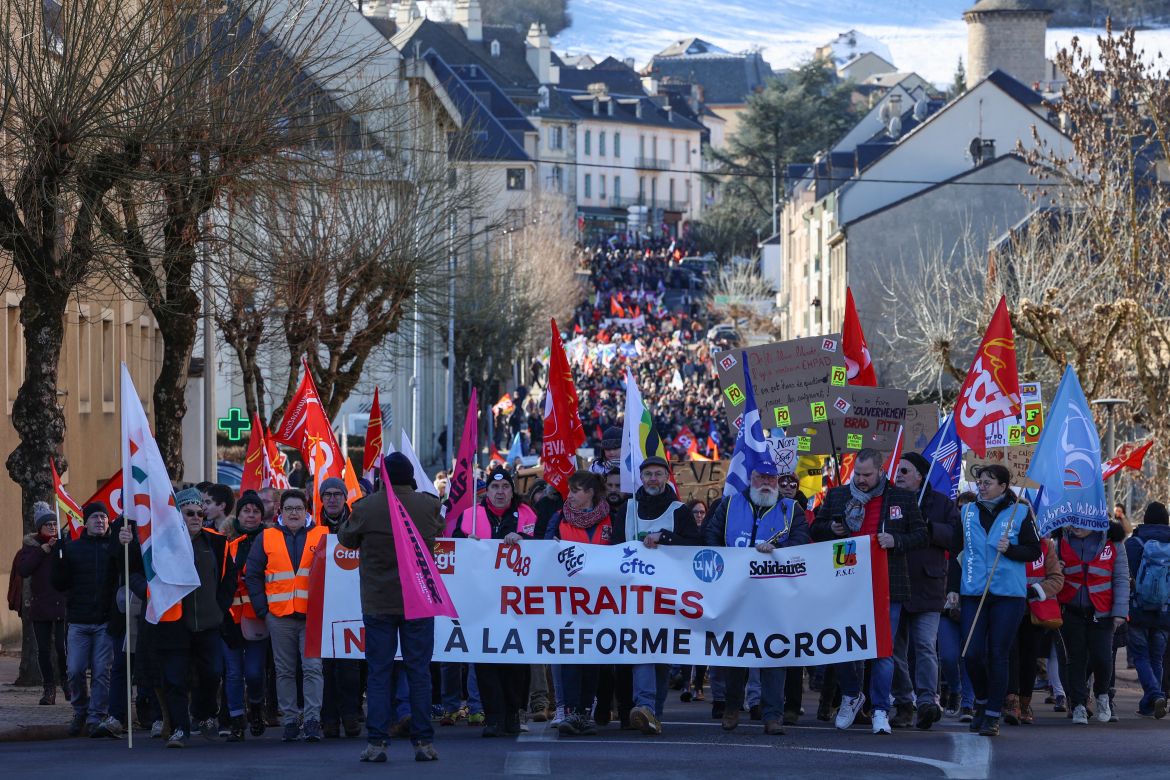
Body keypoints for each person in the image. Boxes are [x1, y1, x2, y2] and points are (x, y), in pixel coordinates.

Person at [811, 447, 927, 735]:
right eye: (857, 474)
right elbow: (817, 529)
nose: (861, 480)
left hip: (887, 584)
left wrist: (896, 540)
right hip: (845, 584)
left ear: (880, 471)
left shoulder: (901, 497)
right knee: (841, 646)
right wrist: (832, 530)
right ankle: (851, 694)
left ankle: (879, 710)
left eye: (867, 475)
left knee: (883, 652)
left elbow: (921, 535)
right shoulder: (838, 495)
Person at [339, 451, 444, 763]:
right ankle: (423, 742)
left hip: (378, 602)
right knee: (419, 672)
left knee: (379, 673)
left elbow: (346, 539)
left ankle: (377, 743)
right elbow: (438, 531)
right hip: (419, 599)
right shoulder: (428, 505)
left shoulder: (366, 507)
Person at [703, 463, 810, 735]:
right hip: (735, 594)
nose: (766, 483)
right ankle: (731, 709)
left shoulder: (791, 510)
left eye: (771, 478)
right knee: (737, 656)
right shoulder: (728, 506)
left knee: (774, 656)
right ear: (751, 478)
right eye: (761, 477)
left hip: (776, 597)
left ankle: (772, 716)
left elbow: (801, 542)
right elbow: (711, 537)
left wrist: (778, 550)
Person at [954, 464, 1041, 737]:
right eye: (980, 481)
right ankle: (981, 699)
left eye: (988, 482)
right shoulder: (966, 512)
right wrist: (951, 588)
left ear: (1003, 487)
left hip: (1007, 594)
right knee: (971, 653)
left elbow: (1035, 550)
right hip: (973, 592)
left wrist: (1012, 549)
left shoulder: (1021, 511)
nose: (981, 486)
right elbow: (956, 552)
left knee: (998, 654)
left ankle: (992, 714)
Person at [620, 456, 701, 736]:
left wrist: (665, 538)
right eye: (648, 474)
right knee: (642, 648)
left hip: (669, 595)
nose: (653, 479)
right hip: (635, 595)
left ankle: (655, 712)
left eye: (658, 474)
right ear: (641, 478)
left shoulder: (679, 510)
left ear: (667, 477)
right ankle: (646, 707)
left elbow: (695, 544)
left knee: (662, 652)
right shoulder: (628, 508)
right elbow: (611, 548)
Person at [453, 466, 536, 736]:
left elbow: (543, 548)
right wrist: (468, 543)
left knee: (516, 661)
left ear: (513, 490)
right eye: (494, 488)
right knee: (485, 660)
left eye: (505, 488)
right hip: (482, 602)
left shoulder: (526, 514)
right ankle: (493, 716)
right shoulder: (470, 516)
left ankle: (513, 713)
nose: (500, 492)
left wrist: (523, 539)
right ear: (486, 491)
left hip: (517, 603)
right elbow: (453, 550)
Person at [154, 488, 236, 748]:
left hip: (208, 623)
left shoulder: (217, 542)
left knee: (212, 673)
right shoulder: (161, 542)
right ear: (178, 514)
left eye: (201, 513)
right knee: (175, 678)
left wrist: (219, 608)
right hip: (174, 622)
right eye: (189, 513)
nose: (196, 518)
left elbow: (229, 578)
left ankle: (202, 713)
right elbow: (138, 568)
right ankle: (180, 729)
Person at [245, 488, 327, 742]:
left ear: (307, 512)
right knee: (284, 671)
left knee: (313, 668)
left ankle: (312, 720)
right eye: (289, 509)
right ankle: (291, 720)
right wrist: (263, 610)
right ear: (281, 511)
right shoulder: (267, 537)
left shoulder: (323, 534)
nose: (294, 513)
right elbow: (253, 574)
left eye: (298, 509)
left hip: (312, 617)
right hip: (279, 616)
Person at [889, 452, 959, 730]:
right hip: (895, 586)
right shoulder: (889, 501)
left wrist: (928, 527)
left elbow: (955, 537)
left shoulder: (941, 504)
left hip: (928, 587)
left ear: (920, 475)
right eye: (897, 471)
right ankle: (905, 702)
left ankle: (928, 701)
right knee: (894, 650)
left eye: (904, 471)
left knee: (926, 647)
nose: (898, 476)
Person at [546, 471, 614, 736]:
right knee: (571, 657)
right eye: (570, 491)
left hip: (601, 602)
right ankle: (572, 711)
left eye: (575, 490)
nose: (571, 495)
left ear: (590, 493)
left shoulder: (610, 519)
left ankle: (585, 711)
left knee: (593, 659)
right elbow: (543, 547)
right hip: (568, 601)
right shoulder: (559, 518)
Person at [52, 501, 117, 737]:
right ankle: (80, 709)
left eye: (103, 517)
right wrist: (58, 560)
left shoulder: (115, 547)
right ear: (85, 522)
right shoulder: (72, 549)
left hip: (105, 622)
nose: (100, 521)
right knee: (75, 670)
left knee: (101, 671)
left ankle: (96, 715)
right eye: (95, 518)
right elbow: (59, 583)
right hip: (78, 621)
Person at [1058, 520, 1129, 725]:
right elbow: (1050, 574)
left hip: (1102, 612)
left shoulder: (1113, 542)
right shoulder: (1060, 540)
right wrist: (1056, 568)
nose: (1075, 526)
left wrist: (1119, 612)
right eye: (1072, 520)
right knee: (1076, 659)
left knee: (1102, 658)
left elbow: (1121, 578)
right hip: (1071, 611)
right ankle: (1079, 704)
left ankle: (1102, 696)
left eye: (1080, 520)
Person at [314, 476, 363, 739]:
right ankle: (329, 719)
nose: (332, 499)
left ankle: (351, 715)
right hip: (320, 605)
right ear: (321, 499)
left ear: (345, 498)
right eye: (327, 494)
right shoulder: (313, 525)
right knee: (325, 667)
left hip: (351, 605)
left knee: (349, 667)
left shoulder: (357, 524)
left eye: (337, 494)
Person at [222, 491, 270, 740]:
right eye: (246, 511)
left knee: (253, 672)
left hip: (257, 616)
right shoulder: (225, 543)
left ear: (262, 515)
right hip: (230, 617)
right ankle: (236, 719)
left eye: (255, 511)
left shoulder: (270, 542)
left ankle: (256, 708)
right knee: (232, 672)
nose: (250, 516)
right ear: (237, 514)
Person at [17, 503, 69, 706]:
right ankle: (49, 688)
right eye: (47, 525)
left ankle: (66, 682)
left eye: (54, 524)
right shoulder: (31, 547)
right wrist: (42, 551)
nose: (52, 528)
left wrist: (58, 548)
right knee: (44, 650)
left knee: (62, 648)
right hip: (40, 605)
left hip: (60, 603)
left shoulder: (62, 545)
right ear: (39, 528)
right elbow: (24, 569)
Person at [1126, 501, 1170, 718]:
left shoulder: (1133, 543)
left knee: (1141, 656)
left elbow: (1125, 576)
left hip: (1138, 608)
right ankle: (1149, 703)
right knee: (1157, 657)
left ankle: (1154, 694)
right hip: (1165, 611)